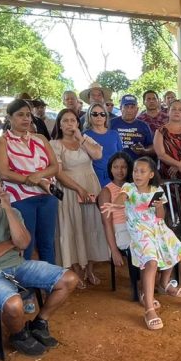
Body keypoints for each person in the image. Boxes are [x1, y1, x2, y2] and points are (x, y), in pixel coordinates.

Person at [0, 165, 78, 357]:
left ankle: (39, 322)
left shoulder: (12, 211)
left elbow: (24, 243)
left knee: (69, 279)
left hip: (17, 266)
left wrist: (8, 209)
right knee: (14, 304)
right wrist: (11, 244)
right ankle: (18, 335)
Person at [101, 157, 181, 330]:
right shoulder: (129, 187)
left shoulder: (156, 190)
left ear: (151, 174)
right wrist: (114, 206)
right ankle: (149, 309)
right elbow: (122, 199)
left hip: (159, 228)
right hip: (140, 231)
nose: (137, 174)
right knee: (151, 263)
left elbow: (160, 216)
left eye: (142, 171)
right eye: (136, 171)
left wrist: (160, 205)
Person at [0, 99, 59, 265]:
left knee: (47, 243)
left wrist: (39, 177)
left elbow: (55, 166)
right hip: (21, 199)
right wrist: (36, 181)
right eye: (20, 115)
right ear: (9, 117)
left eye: (28, 115)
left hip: (47, 196)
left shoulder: (40, 138)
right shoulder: (1, 142)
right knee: (25, 244)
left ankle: (52, 283)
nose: (26, 118)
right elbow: (3, 172)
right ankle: (26, 287)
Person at [51, 108, 110, 288]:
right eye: (66, 121)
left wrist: (80, 138)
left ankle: (89, 269)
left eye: (73, 121)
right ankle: (77, 270)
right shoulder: (54, 144)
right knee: (73, 227)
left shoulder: (86, 139)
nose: (70, 124)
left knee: (91, 226)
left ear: (78, 123)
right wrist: (78, 189)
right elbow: (58, 173)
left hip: (91, 186)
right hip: (69, 189)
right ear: (60, 125)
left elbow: (98, 155)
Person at [97, 151, 134, 268]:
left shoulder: (134, 186)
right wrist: (114, 251)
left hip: (136, 226)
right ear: (110, 169)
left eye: (124, 167)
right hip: (120, 230)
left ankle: (159, 281)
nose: (120, 171)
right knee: (144, 246)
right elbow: (106, 223)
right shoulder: (106, 191)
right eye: (116, 167)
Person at [83, 102, 122, 187]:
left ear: (106, 116)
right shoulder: (85, 136)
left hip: (115, 177)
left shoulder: (114, 134)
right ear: (89, 116)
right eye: (95, 114)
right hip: (94, 178)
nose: (99, 116)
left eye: (102, 114)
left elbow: (121, 156)